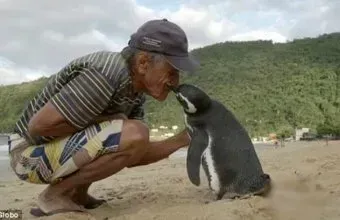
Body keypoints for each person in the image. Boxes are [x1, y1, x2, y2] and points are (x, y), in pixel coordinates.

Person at [8, 18, 199, 216]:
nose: (176, 82)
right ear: (143, 63)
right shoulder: (105, 72)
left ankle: (77, 194)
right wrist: (110, 120)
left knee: (130, 132)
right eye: (172, 71)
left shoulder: (135, 93)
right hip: (26, 155)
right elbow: (38, 127)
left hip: (50, 152)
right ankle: (55, 195)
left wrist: (182, 140)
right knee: (130, 130)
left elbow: (132, 153)